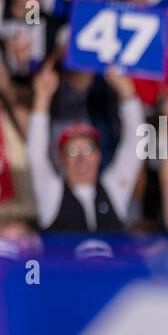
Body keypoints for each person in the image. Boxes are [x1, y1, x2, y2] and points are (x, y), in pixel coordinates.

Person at [27, 62, 144, 231]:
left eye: (88, 150)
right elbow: (36, 156)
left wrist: (126, 91)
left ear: (99, 155)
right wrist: (42, 98)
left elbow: (136, 144)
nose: (81, 158)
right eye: (73, 151)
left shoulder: (114, 191)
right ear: (62, 160)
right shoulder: (52, 194)